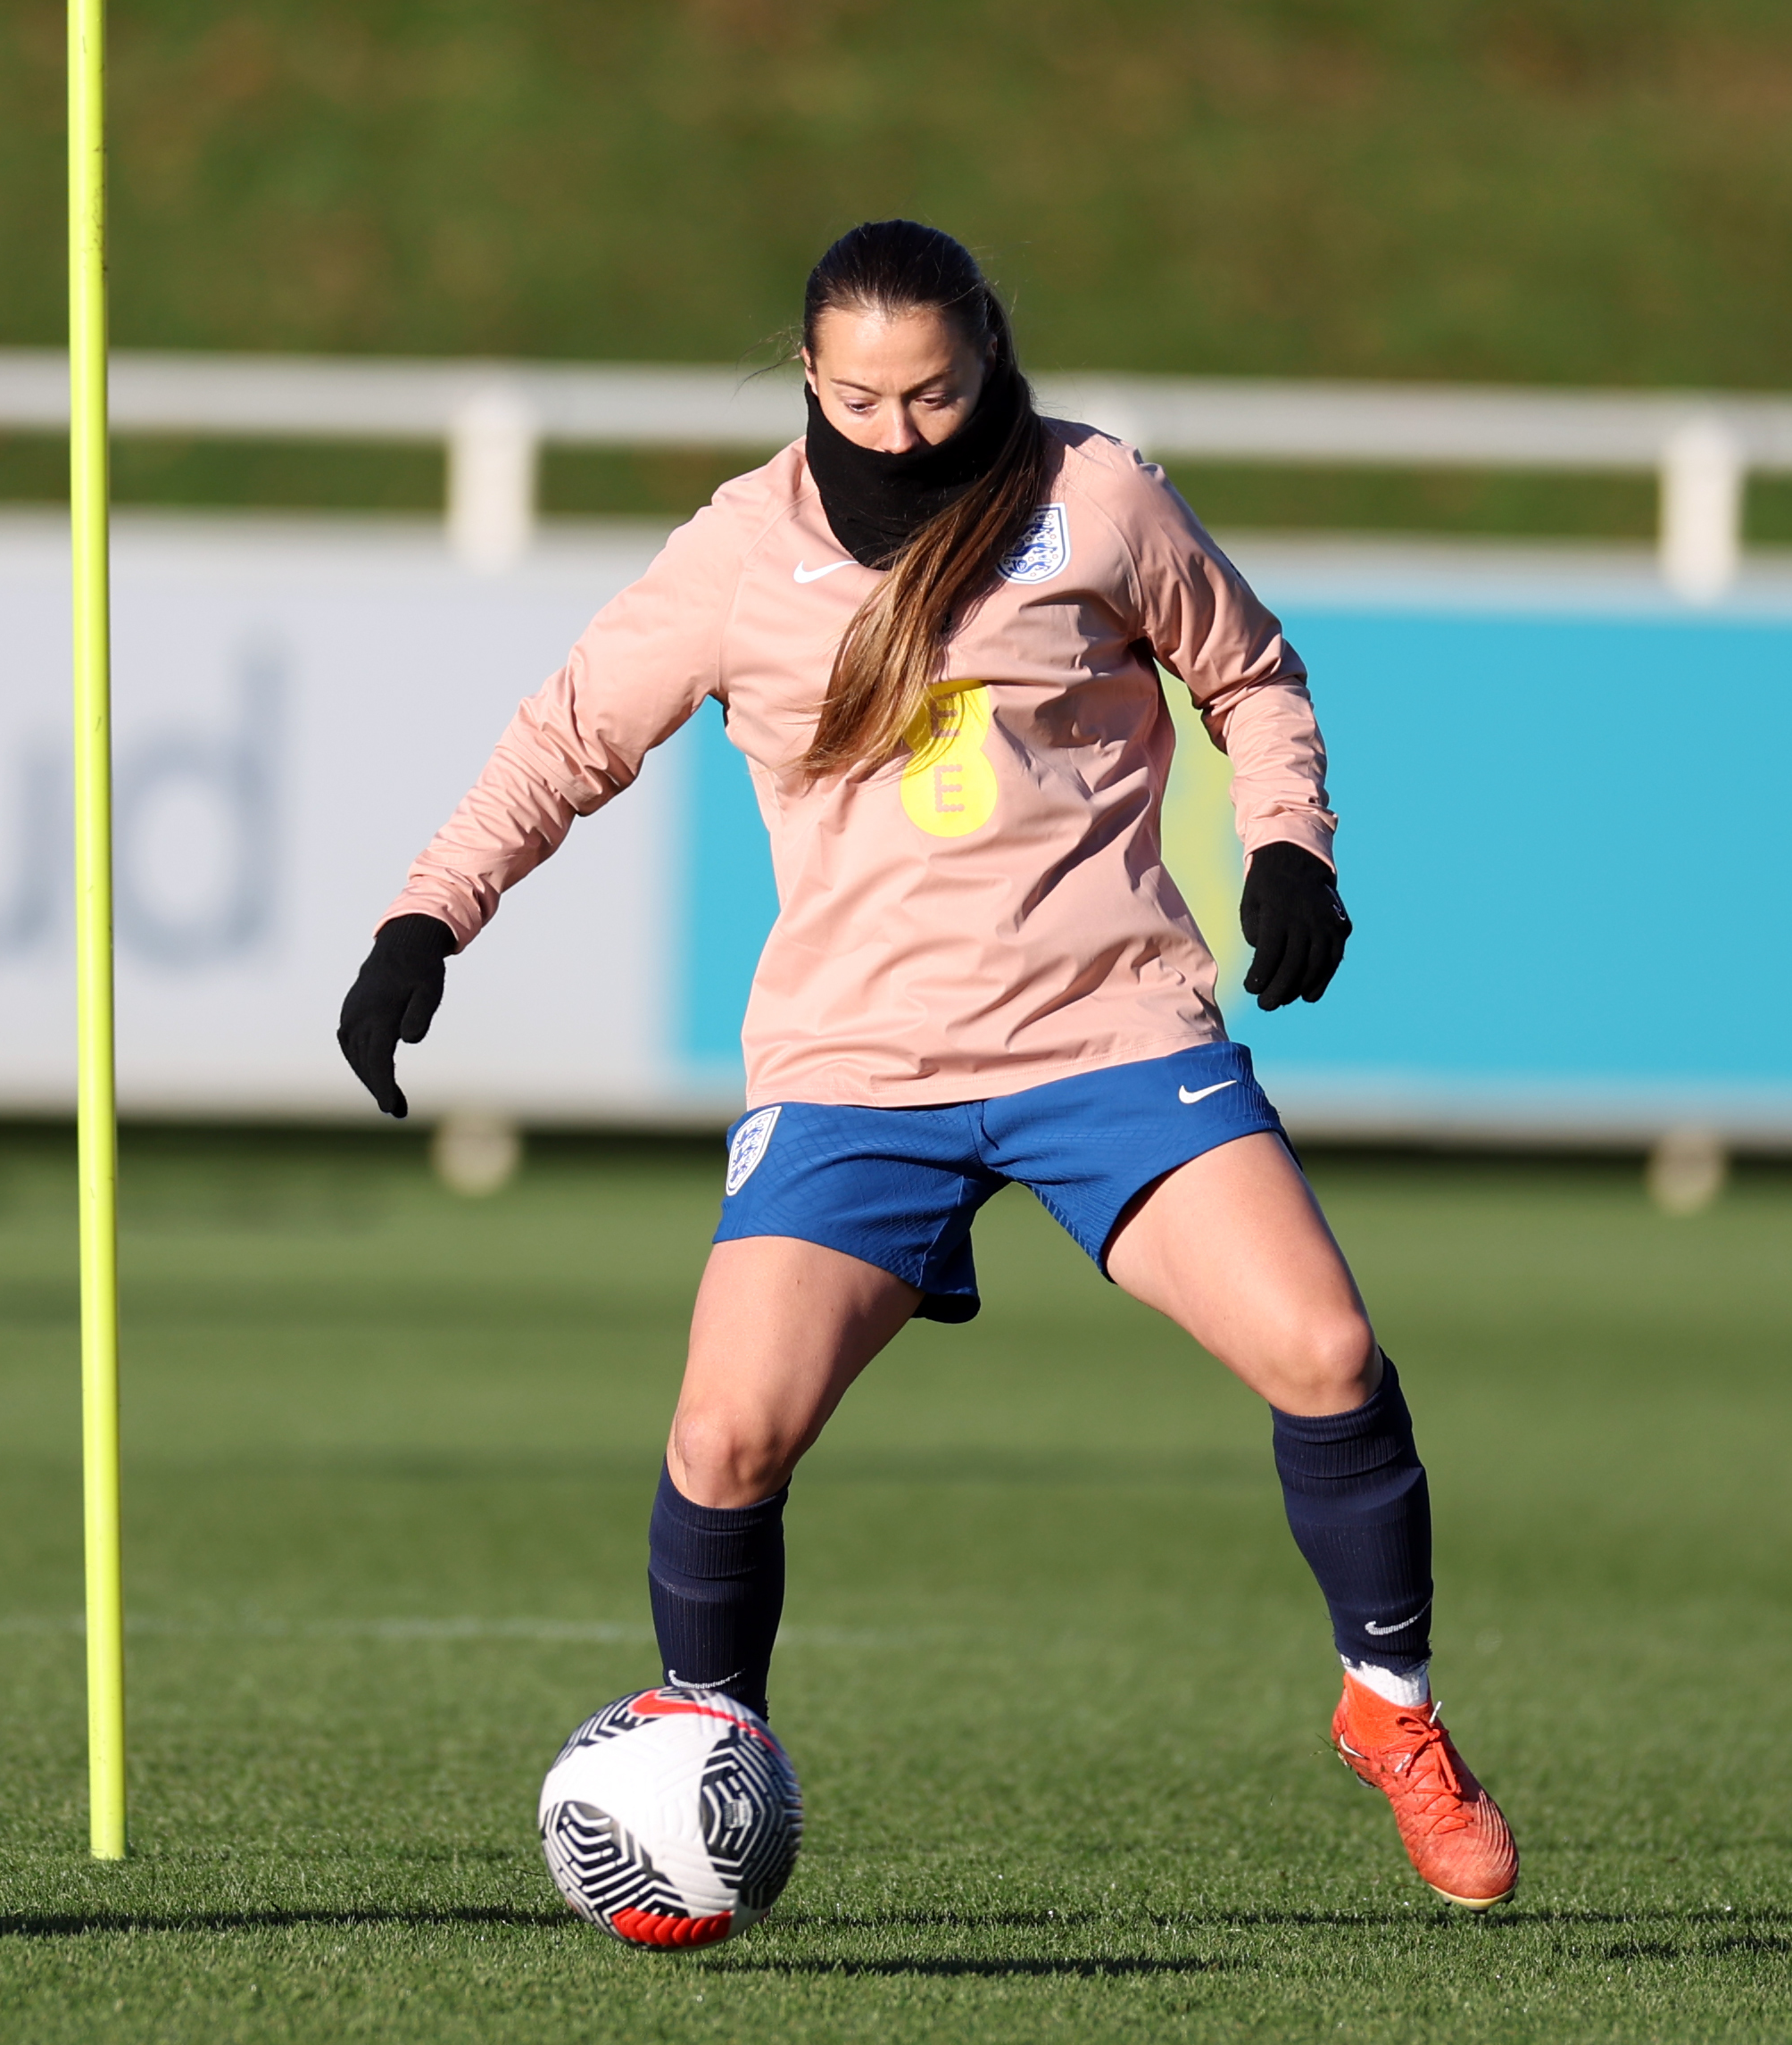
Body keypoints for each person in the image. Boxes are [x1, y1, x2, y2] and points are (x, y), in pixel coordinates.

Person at [335, 220, 1515, 1908]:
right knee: (725, 1440)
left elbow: (1249, 679)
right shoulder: (740, 549)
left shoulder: (1094, 497)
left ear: (989, 357)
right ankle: (706, 1749)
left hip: (1107, 1037)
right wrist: (424, 923)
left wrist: (1289, 847)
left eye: (937, 392)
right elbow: (565, 738)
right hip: (850, 1069)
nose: (900, 432)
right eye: (862, 397)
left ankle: (1390, 1709)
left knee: (1327, 1350)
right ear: (807, 374)